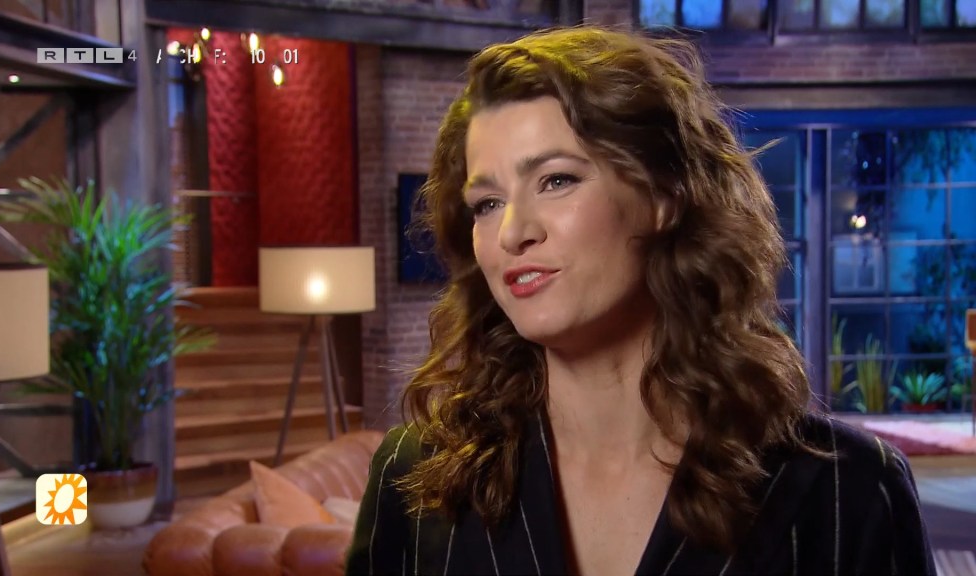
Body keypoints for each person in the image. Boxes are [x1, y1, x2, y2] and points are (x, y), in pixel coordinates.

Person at [346, 25, 935, 576]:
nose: (512, 233)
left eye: (556, 180)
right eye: (487, 203)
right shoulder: (413, 478)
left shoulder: (850, 492)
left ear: (662, 197)